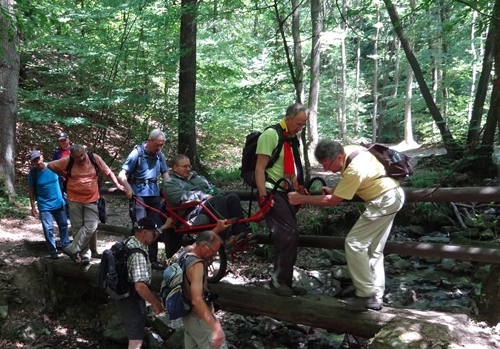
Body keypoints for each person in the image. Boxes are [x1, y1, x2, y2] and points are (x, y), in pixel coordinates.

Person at [288, 140, 405, 311]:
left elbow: (332, 201)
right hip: (390, 197)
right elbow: (354, 180)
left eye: (327, 165)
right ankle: (375, 296)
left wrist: (301, 199)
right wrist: (336, 188)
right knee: (374, 249)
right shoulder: (352, 151)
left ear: (339, 156)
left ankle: (366, 294)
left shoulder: (354, 169)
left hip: (384, 201)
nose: (326, 170)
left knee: (354, 243)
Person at [254, 103, 309, 296]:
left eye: (303, 125)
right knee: (288, 233)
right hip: (271, 190)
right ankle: (279, 280)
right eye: (298, 124)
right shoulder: (270, 135)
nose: (300, 128)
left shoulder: (291, 138)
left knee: (288, 235)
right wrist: (263, 196)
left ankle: (284, 279)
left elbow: (292, 165)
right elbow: (259, 168)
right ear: (288, 119)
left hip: (286, 189)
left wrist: (299, 185)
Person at [180, 230, 233, 349]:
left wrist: (217, 229)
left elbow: (206, 237)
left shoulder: (184, 252)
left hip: (185, 315)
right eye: (213, 251)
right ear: (203, 246)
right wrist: (215, 327)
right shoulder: (197, 265)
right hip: (198, 317)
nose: (214, 255)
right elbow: (196, 299)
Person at [48, 144, 122, 266]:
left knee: (91, 226)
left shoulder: (94, 158)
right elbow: (50, 165)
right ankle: (84, 256)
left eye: (82, 155)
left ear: (85, 152)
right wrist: (63, 174)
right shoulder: (69, 161)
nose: (81, 158)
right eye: (77, 157)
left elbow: (108, 172)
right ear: (72, 156)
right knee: (77, 228)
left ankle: (71, 250)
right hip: (74, 199)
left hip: (91, 199)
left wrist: (118, 185)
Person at [117, 217, 166, 349]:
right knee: (135, 340)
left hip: (126, 295)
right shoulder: (137, 254)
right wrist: (155, 303)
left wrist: (165, 226)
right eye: (153, 234)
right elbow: (140, 286)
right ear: (144, 233)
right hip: (131, 298)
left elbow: (157, 231)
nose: (155, 238)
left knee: (138, 331)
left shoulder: (130, 241)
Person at [164, 154, 251, 249]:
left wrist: (219, 193)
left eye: (189, 166)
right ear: (175, 167)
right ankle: (227, 237)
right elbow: (180, 197)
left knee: (232, 197)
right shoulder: (170, 183)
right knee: (217, 200)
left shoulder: (197, 177)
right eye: (184, 166)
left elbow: (212, 189)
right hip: (191, 213)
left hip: (207, 205)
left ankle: (242, 234)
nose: (188, 169)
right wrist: (204, 196)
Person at [118, 129, 170, 268]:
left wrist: (169, 190)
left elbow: (166, 176)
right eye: (157, 144)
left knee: (154, 227)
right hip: (138, 195)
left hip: (154, 194)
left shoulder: (159, 155)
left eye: (162, 145)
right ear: (150, 140)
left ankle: (151, 260)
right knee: (141, 227)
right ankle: (136, 258)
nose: (159, 148)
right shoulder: (137, 153)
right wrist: (128, 188)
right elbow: (122, 175)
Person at [27, 150, 70, 259]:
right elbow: (31, 190)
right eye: (34, 160)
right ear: (32, 163)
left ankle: (66, 247)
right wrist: (32, 206)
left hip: (59, 202)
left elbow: (66, 176)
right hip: (44, 205)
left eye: (38, 158)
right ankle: (52, 251)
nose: (37, 161)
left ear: (42, 157)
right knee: (48, 229)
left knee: (63, 225)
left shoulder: (53, 166)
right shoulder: (33, 174)